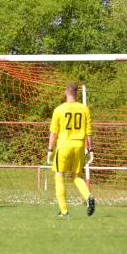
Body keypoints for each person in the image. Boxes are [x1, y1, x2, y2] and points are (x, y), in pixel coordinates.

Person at [47, 83, 95, 217]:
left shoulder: (59, 109)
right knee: (76, 177)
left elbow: (54, 132)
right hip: (79, 146)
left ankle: (64, 211)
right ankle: (88, 197)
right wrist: (90, 149)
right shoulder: (84, 109)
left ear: (65, 92)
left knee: (59, 177)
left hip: (63, 146)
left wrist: (50, 149)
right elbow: (88, 131)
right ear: (77, 93)